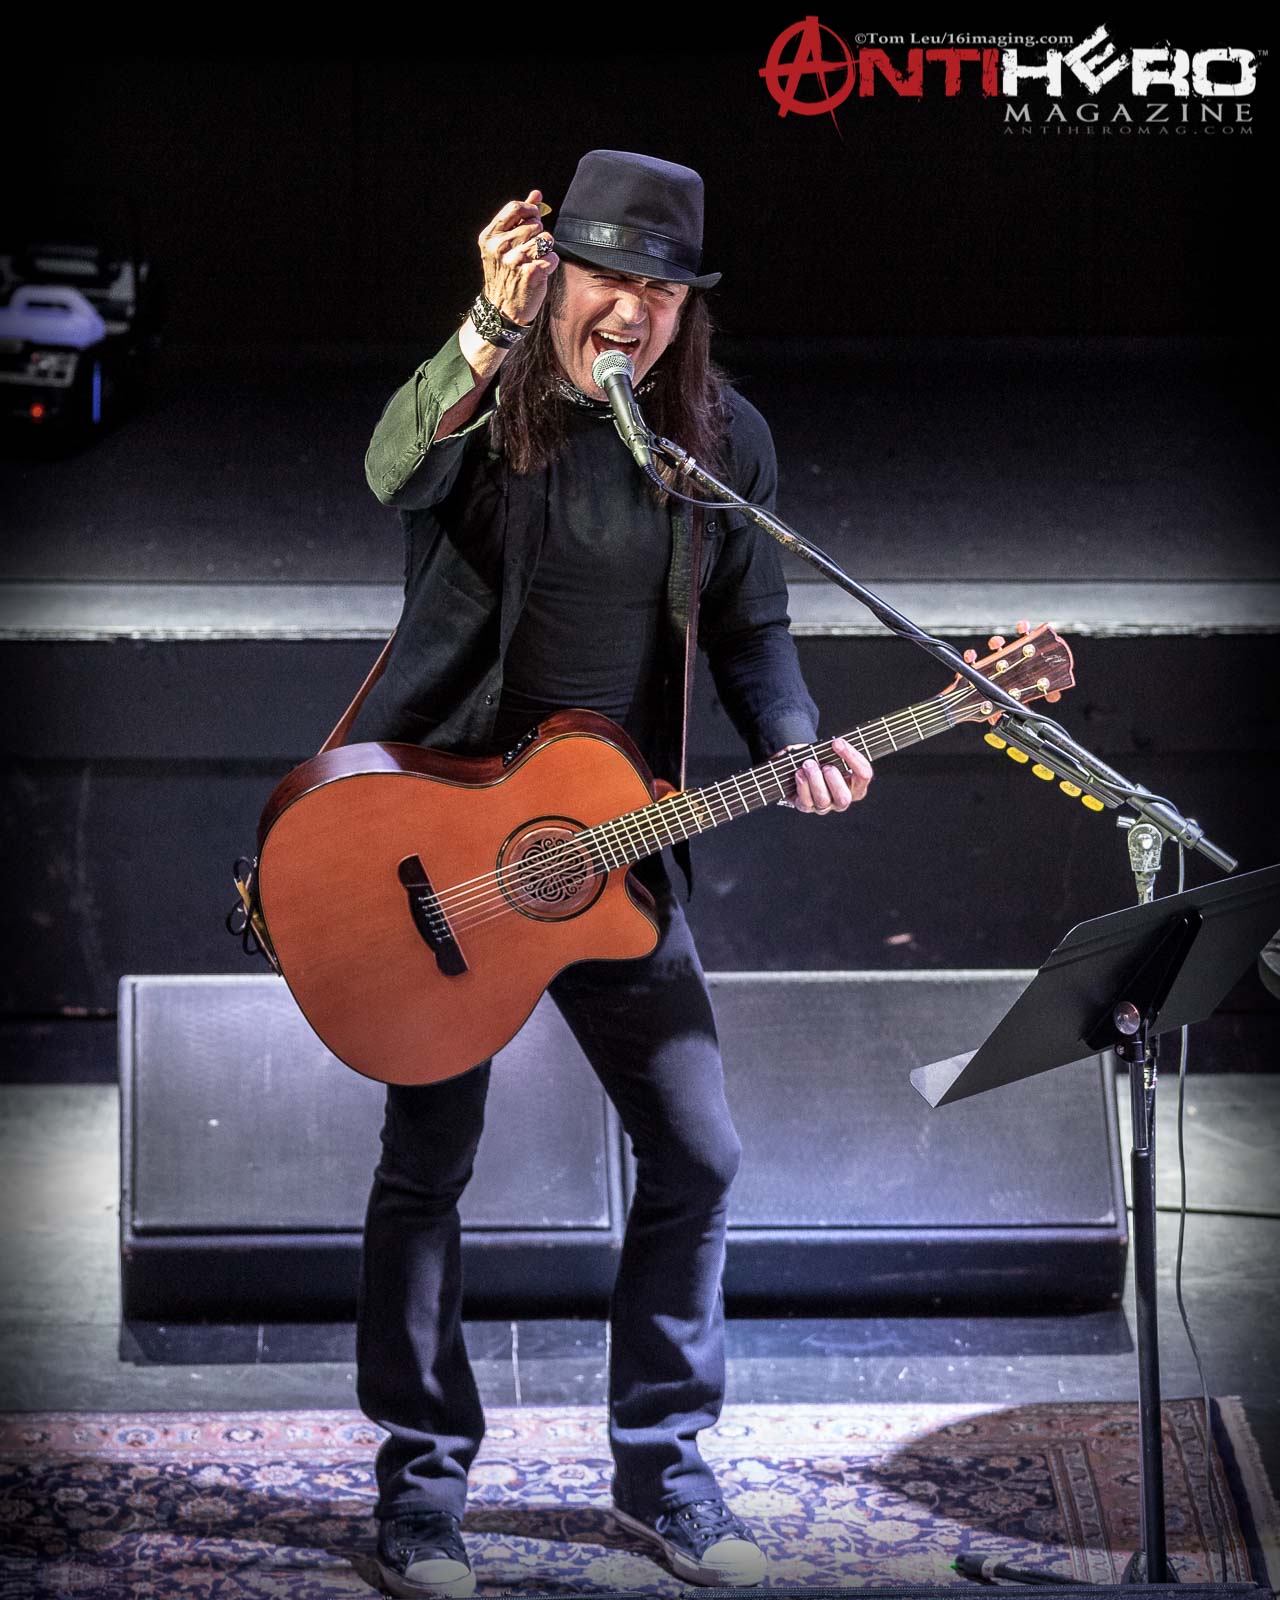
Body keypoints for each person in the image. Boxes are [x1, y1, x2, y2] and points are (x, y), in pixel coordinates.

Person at [352, 150, 872, 1598]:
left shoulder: (716, 442)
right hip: (450, 838)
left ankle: (664, 1471)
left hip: (612, 847)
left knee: (699, 1151)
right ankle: (419, 1492)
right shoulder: (483, 406)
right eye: (606, 277)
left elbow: (754, 626)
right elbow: (391, 467)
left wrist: (797, 740)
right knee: (427, 1165)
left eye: (661, 288)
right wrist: (481, 331)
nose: (632, 309)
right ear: (554, 275)